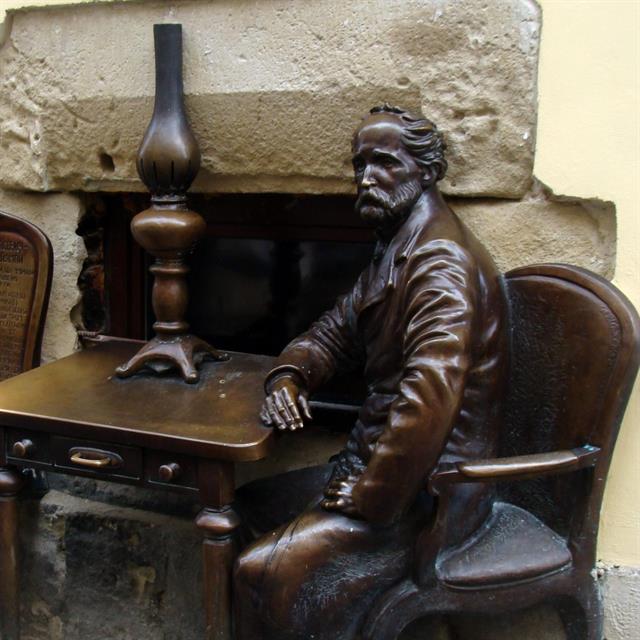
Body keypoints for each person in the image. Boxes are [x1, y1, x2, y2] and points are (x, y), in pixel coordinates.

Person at [233, 104, 508, 640]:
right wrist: (289, 376)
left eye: (384, 162)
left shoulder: (440, 260)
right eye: (360, 165)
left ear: (427, 171)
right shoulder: (396, 248)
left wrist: (371, 495)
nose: (366, 178)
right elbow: (330, 335)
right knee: (247, 507)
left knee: (256, 570)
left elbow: (429, 397)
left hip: (425, 494)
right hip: (372, 469)